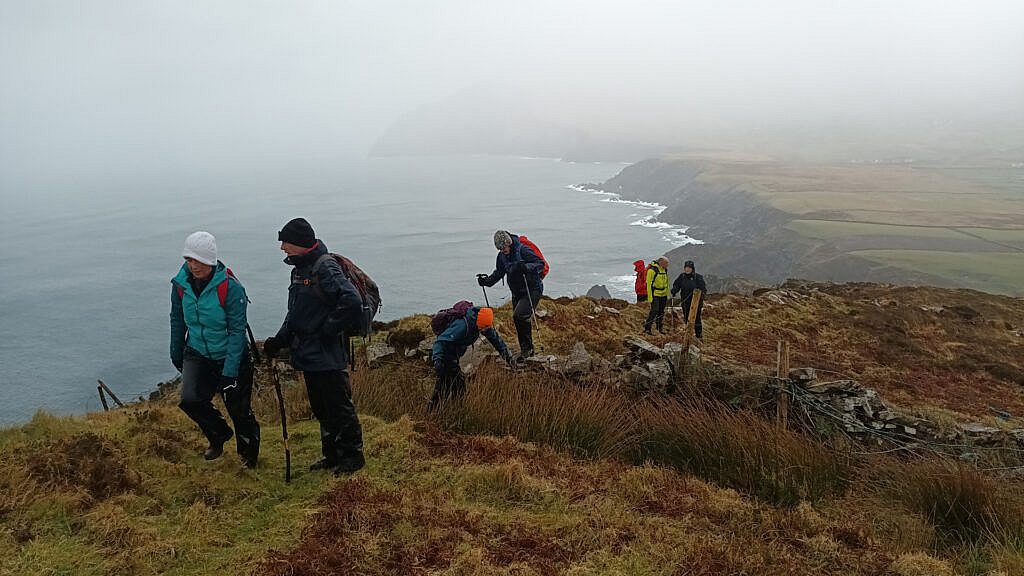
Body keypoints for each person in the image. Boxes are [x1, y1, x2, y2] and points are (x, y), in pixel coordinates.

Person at [262, 218, 366, 475]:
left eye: (285, 242)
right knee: (321, 407)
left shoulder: (325, 267)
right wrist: (279, 340)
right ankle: (332, 455)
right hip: (308, 352)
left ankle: (352, 457)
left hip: (327, 352)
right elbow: (295, 313)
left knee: (339, 406)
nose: (282, 247)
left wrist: (328, 329)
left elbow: (351, 301)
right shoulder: (300, 270)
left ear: (299, 242)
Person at [170, 231, 260, 467]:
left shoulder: (231, 288)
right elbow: (177, 319)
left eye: (199, 260)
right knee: (190, 400)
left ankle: (248, 459)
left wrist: (230, 372)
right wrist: (176, 351)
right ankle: (218, 434)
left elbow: (237, 331)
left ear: (210, 260)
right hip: (197, 352)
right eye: (189, 260)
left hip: (231, 356)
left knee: (239, 410)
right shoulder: (180, 285)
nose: (194, 266)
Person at [429, 306, 515, 411]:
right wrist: (437, 360)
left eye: (487, 327)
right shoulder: (462, 326)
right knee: (446, 385)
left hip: (455, 355)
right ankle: (435, 411)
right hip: (444, 354)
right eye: (483, 328)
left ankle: (449, 410)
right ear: (478, 323)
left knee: (456, 385)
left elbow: (497, 341)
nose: (485, 330)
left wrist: (509, 358)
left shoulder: (484, 324)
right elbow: (440, 342)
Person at [477, 230, 544, 359]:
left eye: (504, 247)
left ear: (509, 243)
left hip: (532, 289)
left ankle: (528, 350)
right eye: (500, 248)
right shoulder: (502, 256)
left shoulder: (523, 250)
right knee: (518, 319)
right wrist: (486, 282)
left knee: (520, 316)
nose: (502, 250)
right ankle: (526, 350)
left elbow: (540, 264)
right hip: (517, 292)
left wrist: (526, 267)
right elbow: (499, 273)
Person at [671, 260, 707, 339]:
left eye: (689, 268)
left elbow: (703, 289)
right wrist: (674, 290)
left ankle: (699, 336)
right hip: (685, 302)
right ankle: (688, 335)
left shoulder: (698, 277)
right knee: (687, 318)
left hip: (696, 302)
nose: (687, 269)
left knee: (696, 318)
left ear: (692, 269)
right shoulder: (682, 277)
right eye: (686, 268)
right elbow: (677, 285)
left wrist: (701, 297)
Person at [643, 256, 670, 334]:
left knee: (661, 312)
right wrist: (650, 297)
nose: (667, 265)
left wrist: (667, 294)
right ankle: (647, 328)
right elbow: (648, 285)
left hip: (663, 294)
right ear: (661, 262)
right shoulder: (652, 271)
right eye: (666, 263)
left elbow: (667, 282)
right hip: (655, 294)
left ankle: (659, 328)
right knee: (654, 310)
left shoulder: (665, 270)